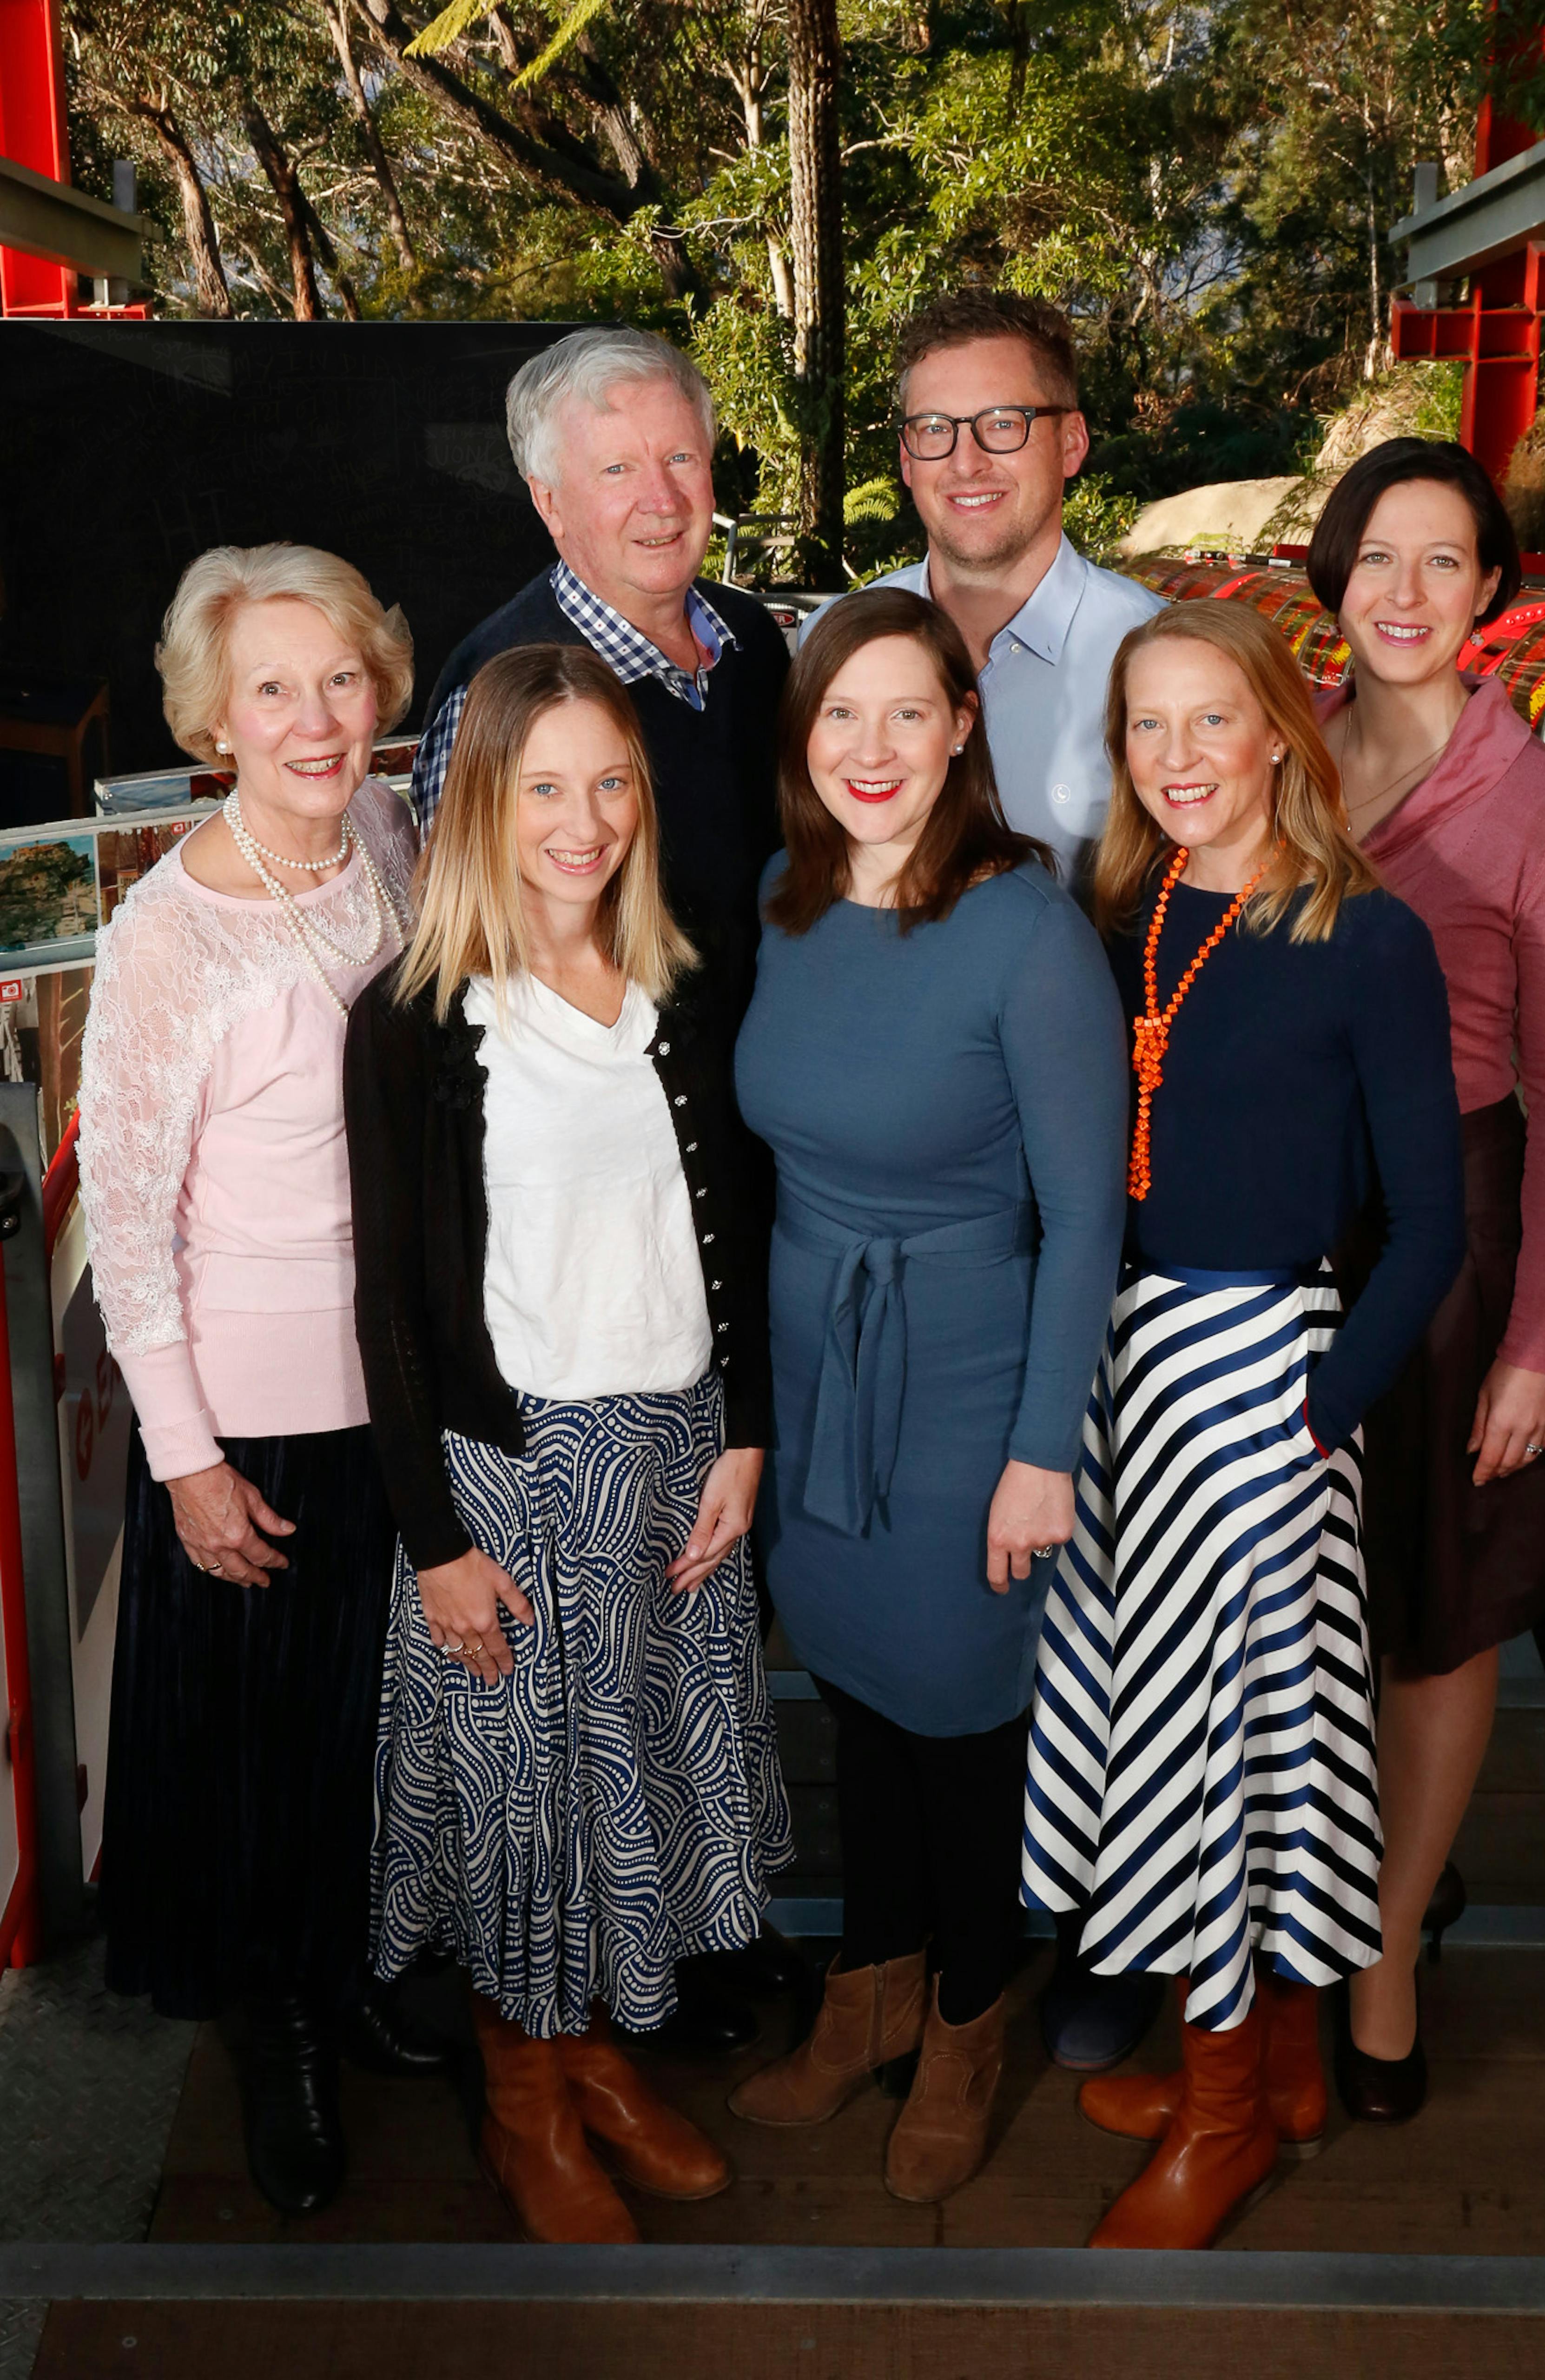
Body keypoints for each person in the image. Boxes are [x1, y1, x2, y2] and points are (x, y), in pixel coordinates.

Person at [1021, 598, 1465, 2250]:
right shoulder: (1127, 902)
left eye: (1216, 721)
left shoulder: (1370, 936)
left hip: (1268, 1375)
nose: (1182, 757)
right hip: (1126, 1366)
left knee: (1226, 1754)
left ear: (1282, 726)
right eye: (1150, 726)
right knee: (1214, 1742)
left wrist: (1319, 1414)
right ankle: (1273, 2066)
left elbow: (1431, 1226)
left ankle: (1221, 2126)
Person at [345, 641, 791, 2245]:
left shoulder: (684, 985)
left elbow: (728, 1227)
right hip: (510, 1481)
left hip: (671, 1458)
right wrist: (435, 1541)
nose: (584, 819)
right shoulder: (413, 1017)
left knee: (632, 1797)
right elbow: (390, 1309)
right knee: (526, 1814)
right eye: (546, 788)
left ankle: (595, 2057)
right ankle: (523, 2102)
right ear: (482, 800)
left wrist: (744, 1437)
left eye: (612, 783)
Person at [727, 587, 1127, 2203]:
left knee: (964, 1710)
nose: (872, 749)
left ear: (963, 727)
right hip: (821, 1349)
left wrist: (1044, 1454)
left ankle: (971, 2008)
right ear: (804, 738)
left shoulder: (1027, 928)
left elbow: (1088, 1212)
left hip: (968, 1367)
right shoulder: (782, 899)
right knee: (860, 1689)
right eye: (842, 715)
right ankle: (868, 1989)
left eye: (909, 713)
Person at [84, 542, 438, 2219]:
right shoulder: (168, 930)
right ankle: (279, 2023)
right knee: (261, 1744)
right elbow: (127, 1215)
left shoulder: (387, 838)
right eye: (276, 689)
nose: (318, 718)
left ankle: (352, 1963)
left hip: (406, 1385)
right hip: (261, 1409)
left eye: (343, 679)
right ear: (214, 720)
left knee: (370, 1723)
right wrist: (186, 1458)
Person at [1308, 438, 1545, 2118]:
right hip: (1294, 1219)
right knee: (1311, 1602)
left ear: (1495, 591)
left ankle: (1384, 1965)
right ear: (1336, 572)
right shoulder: (1288, 751)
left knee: (1436, 1618)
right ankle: (1325, 1900)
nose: (1407, 594)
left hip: (1461, 1226)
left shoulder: (1540, 810)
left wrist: (1538, 1341)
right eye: (1379, 556)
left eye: (1446, 562)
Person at [412, 327, 789, 1034]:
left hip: (782, 1095)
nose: (663, 498)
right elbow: (468, 974)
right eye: (617, 470)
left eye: (680, 458)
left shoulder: (755, 641)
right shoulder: (495, 688)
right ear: (549, 502)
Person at [824, 291, 1162, 899]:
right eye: (934, 429)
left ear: (1072, 443)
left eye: (1003, 424)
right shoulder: (833, 644)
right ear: (906, 458)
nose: (966, 461)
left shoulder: (1153, 657)